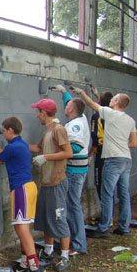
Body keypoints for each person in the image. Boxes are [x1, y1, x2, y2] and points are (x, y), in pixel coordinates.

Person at [73, 88, 137, 237]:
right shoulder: (130, 120)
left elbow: (92, 105)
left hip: (113, 159)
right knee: (124, 194)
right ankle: (124, 227)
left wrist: (81, 93)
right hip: (126, 159)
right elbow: (133, 143)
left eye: (113, 98)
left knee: (107, 193)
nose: (111, 100)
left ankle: (103, 228)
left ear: (116, 102)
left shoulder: (110, 114)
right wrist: (121, 144)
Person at [0, 117, 46, 272]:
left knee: (22, 229)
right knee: (22, 227)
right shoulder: (20, 144)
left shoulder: (13, 147)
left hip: (21, 189)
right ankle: (25, 261)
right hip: (28, 188)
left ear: (10, 130)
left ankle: (35, 266)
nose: (2, 133)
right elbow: (2, 153)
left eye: (3, 130)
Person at [29, 98, 73, 271]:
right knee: (46, 218)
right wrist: (16, 145)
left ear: (44, 113)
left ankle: (64, 256)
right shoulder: (47, 131)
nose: (37, 115)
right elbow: (38, 148)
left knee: (59, 217)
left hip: (57, 182)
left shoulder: (58, 129)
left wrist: (46, 158)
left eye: (38, 112)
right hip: (46, 182)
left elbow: (68, 152)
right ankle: (48, 251)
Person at [54, 86, 91, 255]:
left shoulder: (75, 125)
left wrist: (58, 152)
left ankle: (77, 244)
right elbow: (71, 102)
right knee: (71, 204)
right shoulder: (80, 116)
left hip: (74, 171)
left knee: (72, 204)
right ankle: (75, 241)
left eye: (68, 106)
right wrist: (63, 92)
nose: (65, 106)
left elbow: (75, 147)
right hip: (78, 169)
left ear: (72, 110)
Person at [88, 86, 114, 200]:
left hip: (101, 155)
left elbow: (95, 138)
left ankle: (106, 215)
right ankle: (110, 214)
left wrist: (89, 156)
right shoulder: (116, 114)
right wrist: (98, 95)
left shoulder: (96, 116)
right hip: (114, 154)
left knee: (100, 184)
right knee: (111, 185)